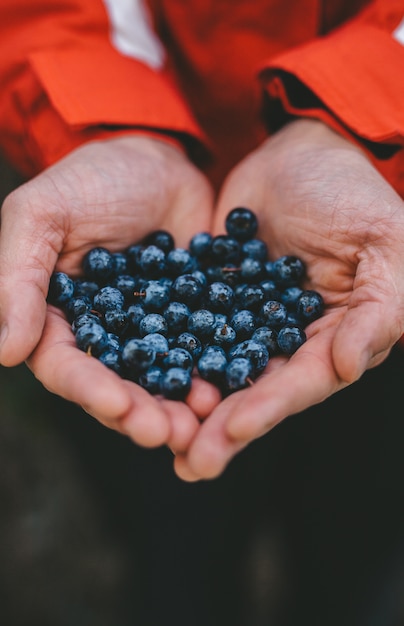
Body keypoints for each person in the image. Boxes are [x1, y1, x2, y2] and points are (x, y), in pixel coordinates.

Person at [0, 0, 403, 483]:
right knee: (162, 500)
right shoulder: (145, 302)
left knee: (355, 480)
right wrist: (110, 126)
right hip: (122, 106)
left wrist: (350, 123)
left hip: (351, 252)